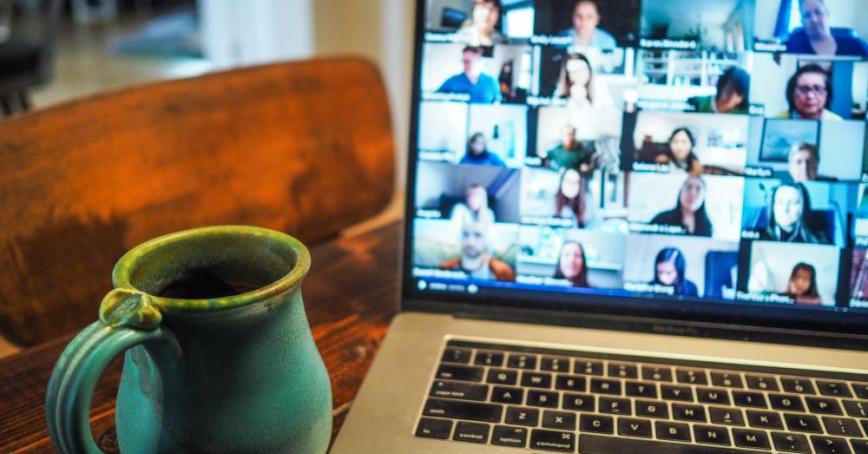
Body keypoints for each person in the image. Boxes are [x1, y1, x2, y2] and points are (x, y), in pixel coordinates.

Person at [557, 52, 615, 139]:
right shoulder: (561, 91)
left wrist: (583, 102)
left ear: (589, 70)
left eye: (581, 70)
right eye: (573, 72)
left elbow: (609, 120)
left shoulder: (600, 87)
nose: (578, 74)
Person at [785, 0, 868, 57]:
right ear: (802, 22)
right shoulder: (794, 48)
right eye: (807, 15)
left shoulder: (855, 45)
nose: (814, 19)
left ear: (828, 15)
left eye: (818, 12)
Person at [439, 221, 515, 281]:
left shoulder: (503, 271)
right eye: (465, 234)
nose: (470, 242)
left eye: (478, 235)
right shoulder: (446, 268)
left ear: (488, 239)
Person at [760, 183, 829, 244]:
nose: (785, 209)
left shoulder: (818, 240)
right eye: (780, 202)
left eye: (793, 203)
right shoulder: (759, 237)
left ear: (803, 206)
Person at [437, 46, 502, 104]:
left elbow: (496, 105)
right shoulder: (452, 81)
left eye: (468, 61)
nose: (465, 65)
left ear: (478, 60)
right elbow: (435, 99)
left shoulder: (491, 82)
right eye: (463, 61)